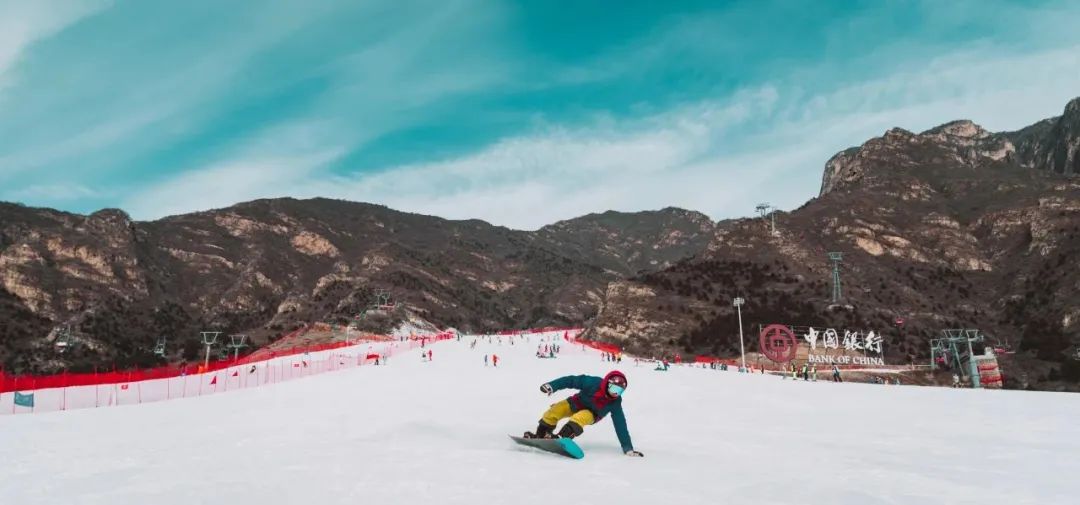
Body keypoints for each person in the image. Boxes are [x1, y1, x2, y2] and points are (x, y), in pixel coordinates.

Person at [523, 371, 643, 457]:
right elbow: (571, 380)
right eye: (614, 389)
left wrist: (628, 448)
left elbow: (620, 424)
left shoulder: (615, 402)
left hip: (592, 414)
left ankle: (561, 438)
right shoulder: (593, 383)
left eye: (619, 391)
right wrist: (552, 386)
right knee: (555, 410)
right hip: (576, 403)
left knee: (580, 417)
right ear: (607, 383)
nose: (615, 394)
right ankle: (542, 434)